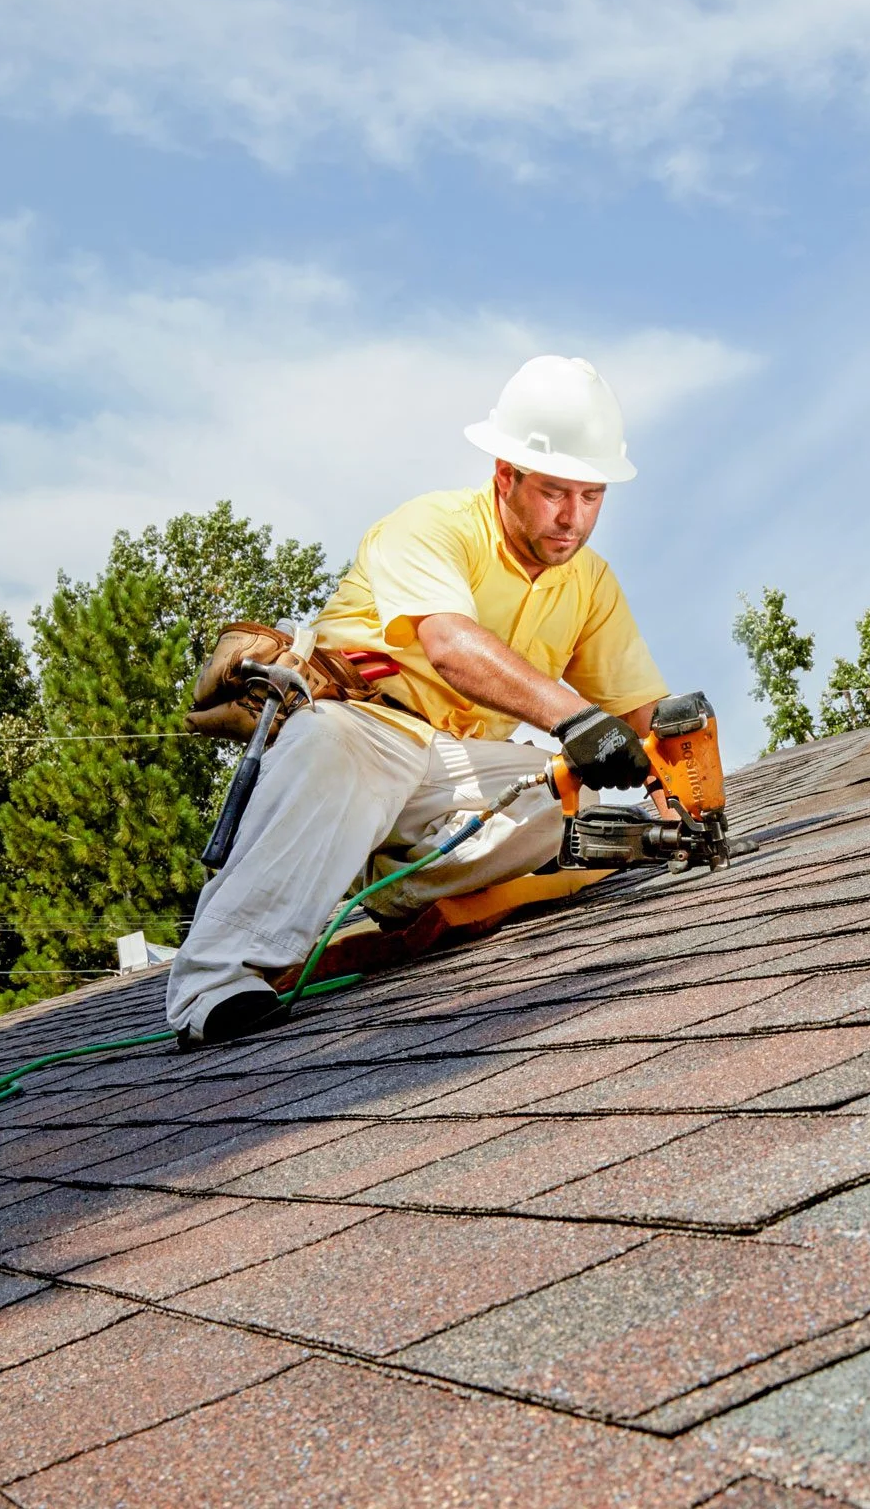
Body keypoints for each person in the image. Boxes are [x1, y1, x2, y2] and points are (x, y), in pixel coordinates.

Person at [165, 355, 669, 1046]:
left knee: (556, 798)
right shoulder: (432, 526)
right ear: (506, 476)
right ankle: (214, 986)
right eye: (555, 492)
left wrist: (687, 800)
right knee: (331, 746)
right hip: (366, 725)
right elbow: (450, 645)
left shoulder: (589, 582)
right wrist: (576, 719)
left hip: (453, 762)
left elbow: (645, 715)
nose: (572, 519)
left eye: (591, 497)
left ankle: (403, 884)